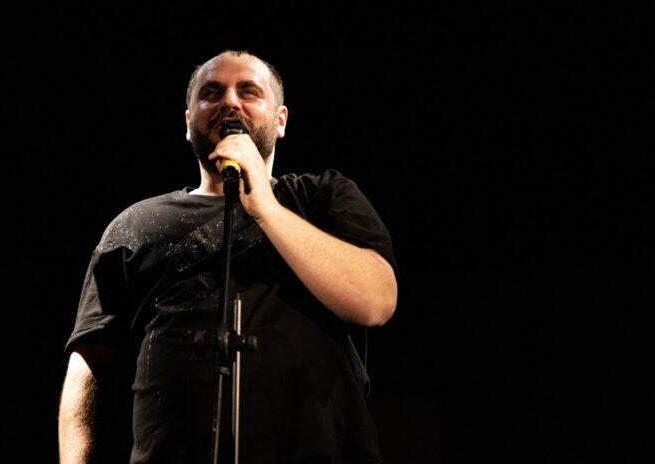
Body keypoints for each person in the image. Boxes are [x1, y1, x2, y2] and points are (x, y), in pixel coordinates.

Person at [58, 50, 399, 464]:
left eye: (249, 91)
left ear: (280, 120)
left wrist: (265, 206)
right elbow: (91, 366)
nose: (230, 102)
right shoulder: (136, 224)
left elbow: (374, 301)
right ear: (189, 123)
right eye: (212, 93)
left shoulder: (323, 197)